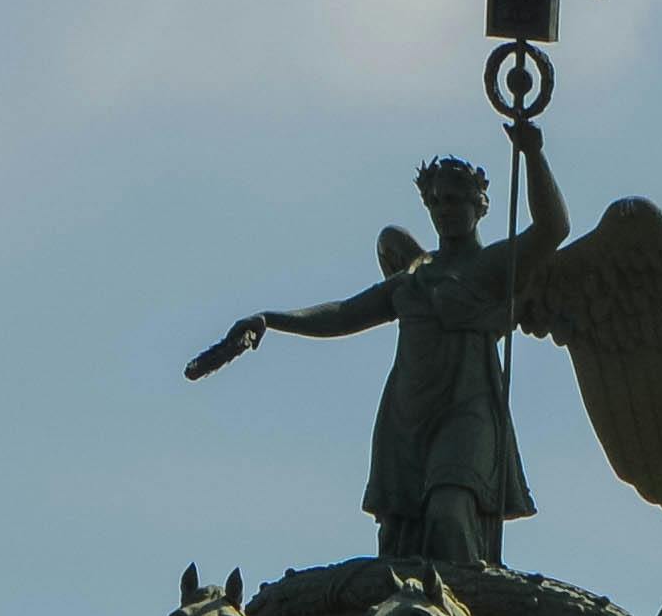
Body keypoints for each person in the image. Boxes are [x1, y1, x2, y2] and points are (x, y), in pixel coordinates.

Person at [188, 113, 579, 574]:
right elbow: (344, 313)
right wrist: (270, 319)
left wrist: (533, 153)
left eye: (455, 199)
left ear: (481, 205)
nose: (445, 209)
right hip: (406, 415)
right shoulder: (412, 277)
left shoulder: (495, 267)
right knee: (401, 541)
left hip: (467, 408)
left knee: (449, 514)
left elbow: (553, 228)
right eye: (436, 201)